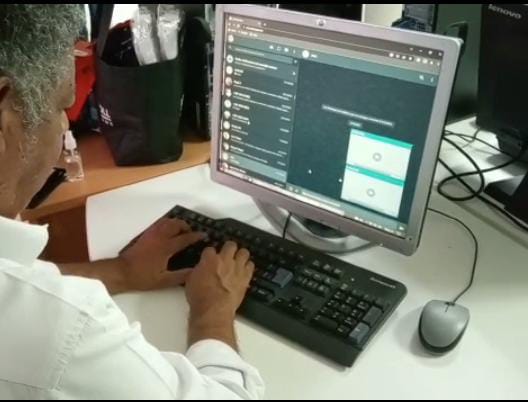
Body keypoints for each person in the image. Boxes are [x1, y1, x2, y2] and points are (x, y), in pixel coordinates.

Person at [0, 5, 263, 399]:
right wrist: (212, 313)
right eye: (61, 108)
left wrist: (122, 271)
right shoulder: (61, 331)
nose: (63, 128)